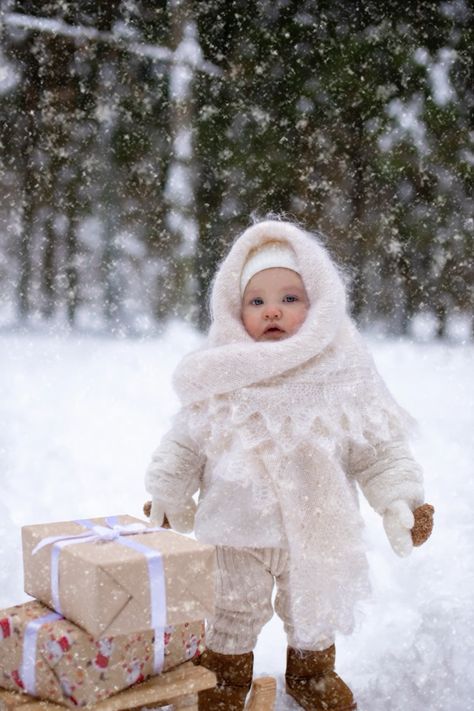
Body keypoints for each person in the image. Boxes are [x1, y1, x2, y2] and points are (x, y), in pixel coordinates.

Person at [145, 219, 434, 711]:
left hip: (318, 529)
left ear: (319, 303)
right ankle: (223, 677)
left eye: (290, 298)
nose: (272, 309)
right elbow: (186, 442)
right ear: (234, 308)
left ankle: (311, 673)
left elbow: (377, 447)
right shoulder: (220, 373)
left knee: (313, 610)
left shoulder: (343, 371)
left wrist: (399, 498)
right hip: (235, 532)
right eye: (255, 301)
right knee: (231, 608)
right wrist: (169, 492)